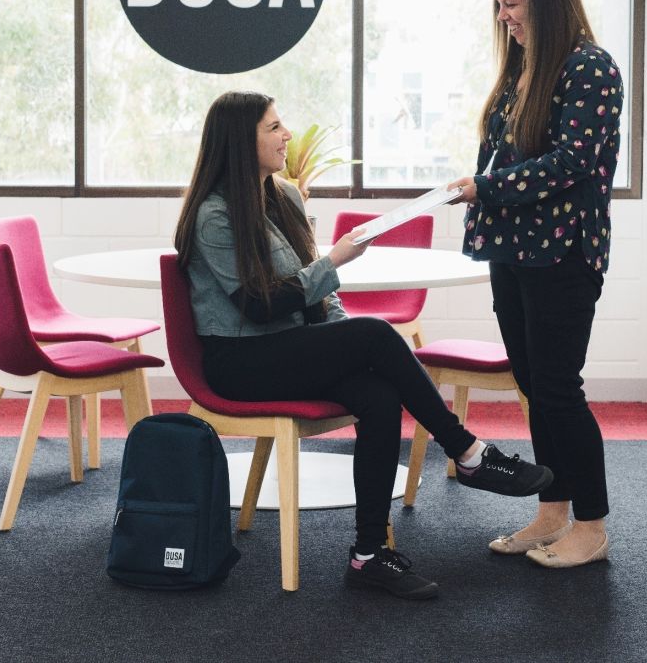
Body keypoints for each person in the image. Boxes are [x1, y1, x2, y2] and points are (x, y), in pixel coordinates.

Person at [174, 90, 553, 601]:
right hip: (238, 360)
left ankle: (369, 555)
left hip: (289, 347)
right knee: (375, 333)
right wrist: (336, 261)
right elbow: (258, 305)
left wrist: (335, 323)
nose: (287, 135)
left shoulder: (283, 197)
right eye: (274, 127)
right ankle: (466, 452)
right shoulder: (215, 216)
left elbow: (315, 297)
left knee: (378, 395)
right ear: (242, 142)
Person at [448, 0, 623, 568]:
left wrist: (485, 188)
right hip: (514, 252)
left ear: (546, 0)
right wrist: (476, 187)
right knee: (533, 385)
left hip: (562, 257)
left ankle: (592, 525)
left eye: (513, 3)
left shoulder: (590, 69)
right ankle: (553, 512)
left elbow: (569, 162)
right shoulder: (523, 69)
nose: (503, 16)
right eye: (498, 4)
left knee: (557, 389)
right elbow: (502, 156)